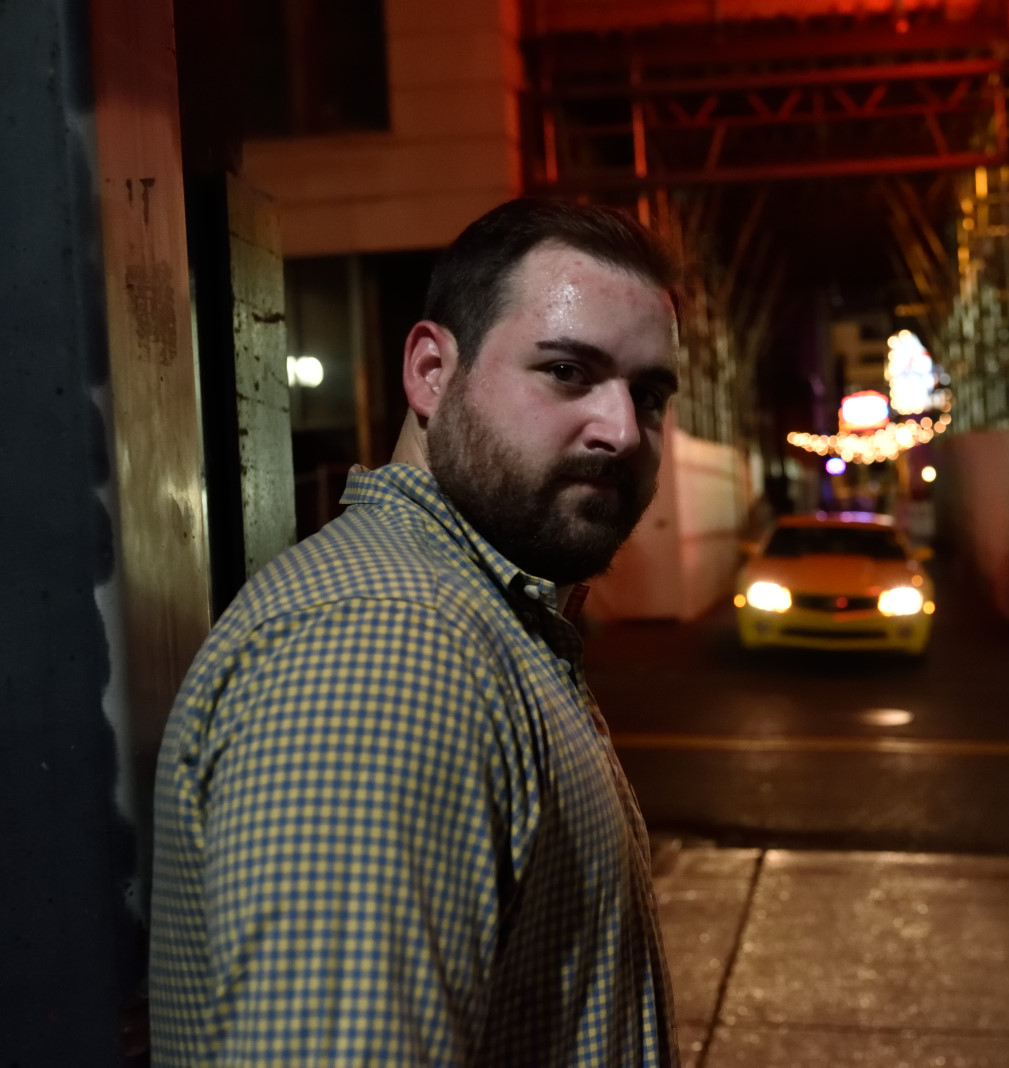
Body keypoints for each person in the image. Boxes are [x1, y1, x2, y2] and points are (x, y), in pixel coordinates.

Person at [149, 199, 684, 1065]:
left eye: (649, 394)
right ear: (432, 371)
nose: (622, 431)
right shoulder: (388, 646)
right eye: (566, 371)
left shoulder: (477, 613)